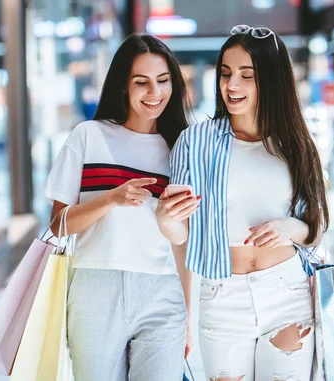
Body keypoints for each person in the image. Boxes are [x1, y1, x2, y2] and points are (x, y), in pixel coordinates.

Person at [156, 25, 329, 381]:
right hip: (223, 297)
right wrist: (165, 218)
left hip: (288, 293)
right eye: (226, 74)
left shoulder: (295, 143)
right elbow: (180, 236)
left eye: (246, 76)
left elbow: (317, 226)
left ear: (272, 80)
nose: (231, 85)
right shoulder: (195, 142)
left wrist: (289, 228)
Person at [44, 33, 196, 380]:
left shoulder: (181, 149)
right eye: (141, 82)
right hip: (96, 288)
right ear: (123, 86)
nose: (154, 93)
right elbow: (58, 225)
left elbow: (183, 243)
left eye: (163, 81)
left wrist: (189, 314)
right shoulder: (88, 136)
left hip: (163, 291)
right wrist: (111, 197)